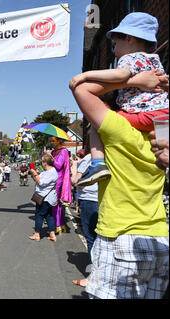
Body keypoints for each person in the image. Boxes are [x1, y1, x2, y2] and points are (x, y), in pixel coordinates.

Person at [70, 68, 169, 298]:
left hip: (121, 237)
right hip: (159, 238)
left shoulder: (118, 129)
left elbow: (82, 89)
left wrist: (135, 80)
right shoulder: (162, 136)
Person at [70, 12, 169, 187]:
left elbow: (119, 74)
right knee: (162, 152)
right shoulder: (155, 60)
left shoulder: (130, 58)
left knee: (96, 125)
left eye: (115, 44)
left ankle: (98, 164)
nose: (114, 51)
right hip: (162, 114)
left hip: (142, 115)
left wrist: (85, 75)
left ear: (129, 38)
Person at [71, 140, 99, 288]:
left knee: (91, 237)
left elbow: (76, 182)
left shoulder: (88, 159)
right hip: (106, 199)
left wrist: (74, 168)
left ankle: (93, 276)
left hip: (90, 199)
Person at [28, 154, 58, 242]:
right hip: (47, 197)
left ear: (45, 163)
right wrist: (34, 175)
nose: (41, 163)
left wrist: (34, 173)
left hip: (45, 197)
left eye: (42, 162)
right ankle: (52, 234)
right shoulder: (47, 171)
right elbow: (38, 180)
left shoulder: (51, 172)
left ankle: (37, 234)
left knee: (39, 215)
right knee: (49, 215)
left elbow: (41, 183)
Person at [49, 136, 72, 234]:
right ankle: (60, 224)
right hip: (52, 179)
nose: (51, 143)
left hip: (59, 180)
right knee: (55, 204)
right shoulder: (53, 152)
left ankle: (57, 225)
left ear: (59, 141)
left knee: (54, 203)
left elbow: (58, 165)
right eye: (50, 141)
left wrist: (50, 157)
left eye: (53, 141)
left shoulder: (64, 151)